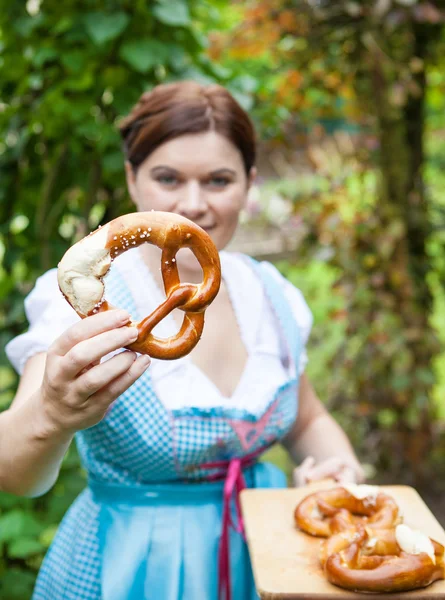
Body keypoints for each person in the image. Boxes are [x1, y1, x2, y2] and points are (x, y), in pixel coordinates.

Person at [3, 81, 364, 600]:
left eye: (219, 180)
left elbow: (309, 419)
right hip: (129, 571)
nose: (192, 205)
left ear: (249, 183)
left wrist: (340, 469)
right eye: (168, 178)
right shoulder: (82, 301)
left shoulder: (272, 294)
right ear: (132, 179)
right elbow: (15, 474)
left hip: (267, 563)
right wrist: (52, 416)